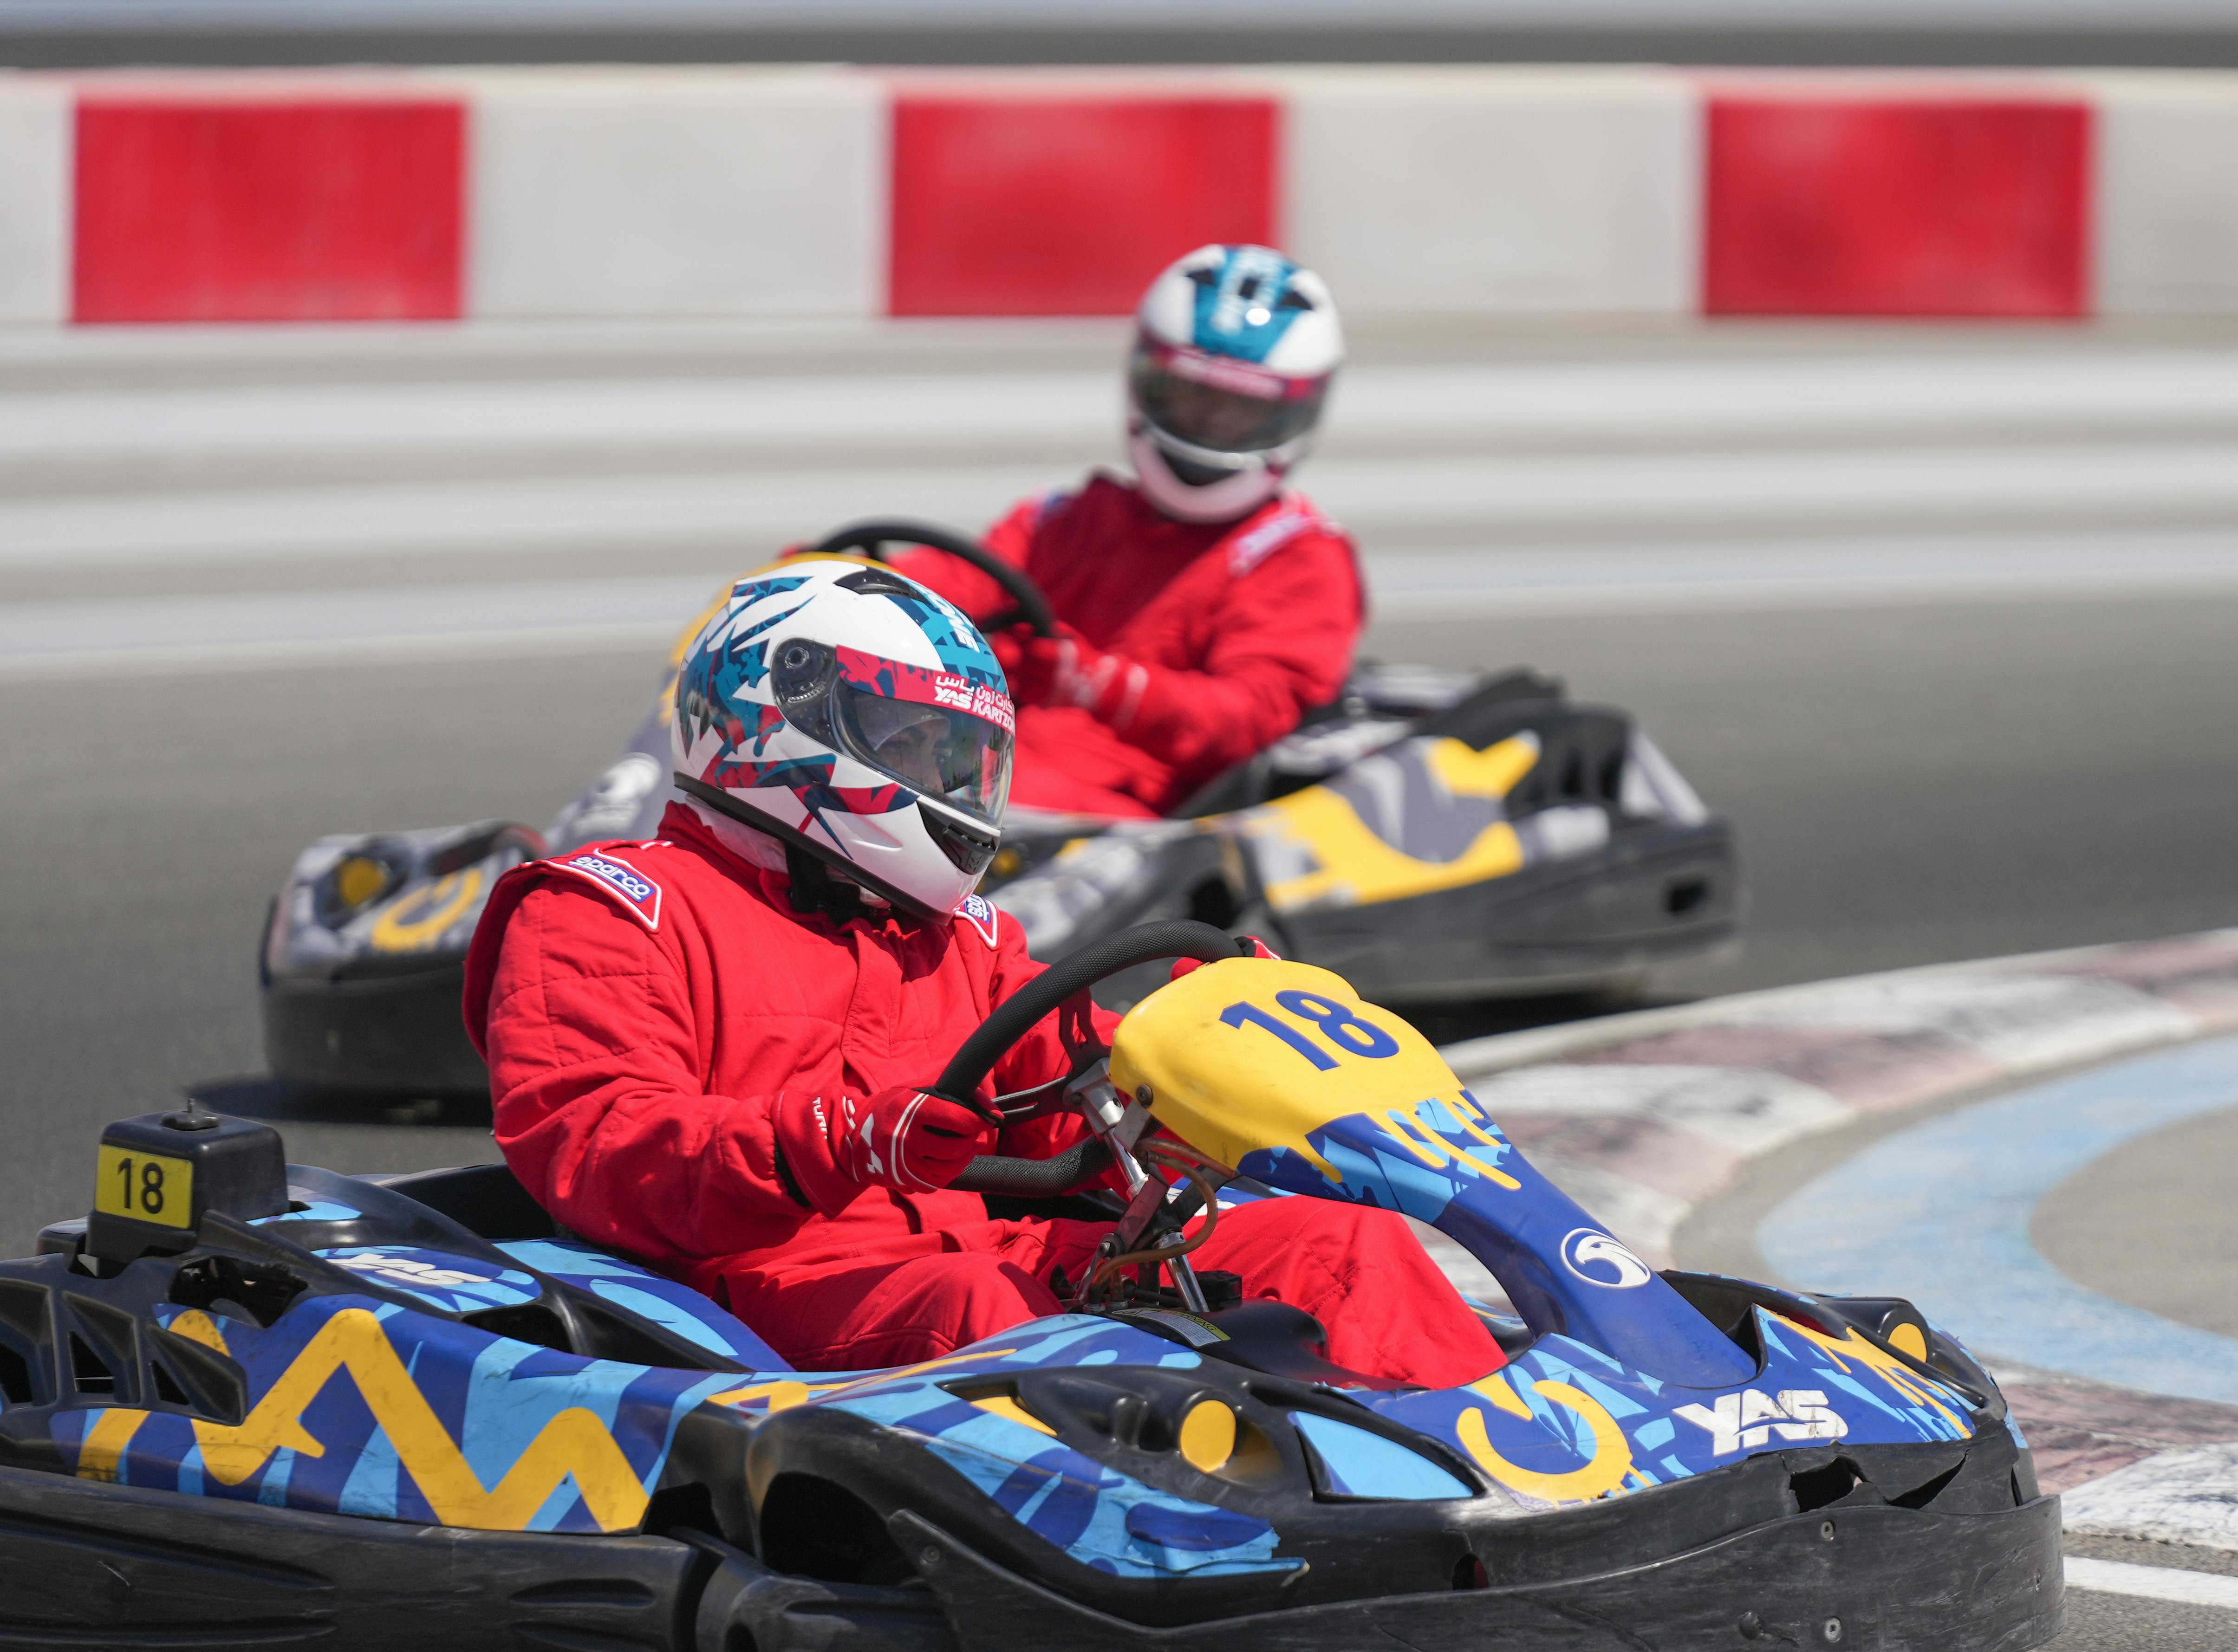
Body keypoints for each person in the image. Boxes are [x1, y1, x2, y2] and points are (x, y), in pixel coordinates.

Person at [462, 557, 1502, 1386]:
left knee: (1337, 1242)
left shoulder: (951, 933)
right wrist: (838, 1139)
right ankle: (1199, 1529)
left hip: (988, 1261)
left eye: (956, 755)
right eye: (913, 745)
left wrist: (1221, 1060)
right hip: (749, 1308)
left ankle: (1505, 1483)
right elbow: (598, 1150)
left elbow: (1077, 1096)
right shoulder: (607, 909)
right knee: (995, 1316)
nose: (946, 782)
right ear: (782, 720)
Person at [889, 244, 1363, 822]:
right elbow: (950, 582)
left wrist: (1100, 686)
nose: (1209, 423)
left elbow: (1247, 720)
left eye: (1239, 410)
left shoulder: (1298, 557)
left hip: (1120, 826)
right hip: (979, 762)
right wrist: (831, 576)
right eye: (1190, 397)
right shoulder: (1073, 518)